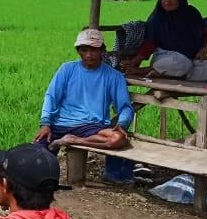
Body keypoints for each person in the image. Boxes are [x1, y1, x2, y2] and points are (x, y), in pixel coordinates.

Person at [34, 27, 136, 183]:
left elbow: (125, 107)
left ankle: (71, 140)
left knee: (118, 138)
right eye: (84, 50)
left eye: (94, 50)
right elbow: (52, 96)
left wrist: (122, 123)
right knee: (37, 160)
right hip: (61, 123)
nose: (89, 55)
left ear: (102, 50)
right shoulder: (66, 69)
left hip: (91, 126)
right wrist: (46, 122)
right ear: (78, 51)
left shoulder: (114, 76)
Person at [124, 0, 207, 82]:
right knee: (183, 63)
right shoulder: (157, 18)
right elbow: (149, 44)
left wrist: (203, 50)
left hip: (191, 58)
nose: (167, 0)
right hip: (167, 58)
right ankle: (140, 71)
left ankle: (172, 75)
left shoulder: (191, 13)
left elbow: (206, 33)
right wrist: (134, 62)